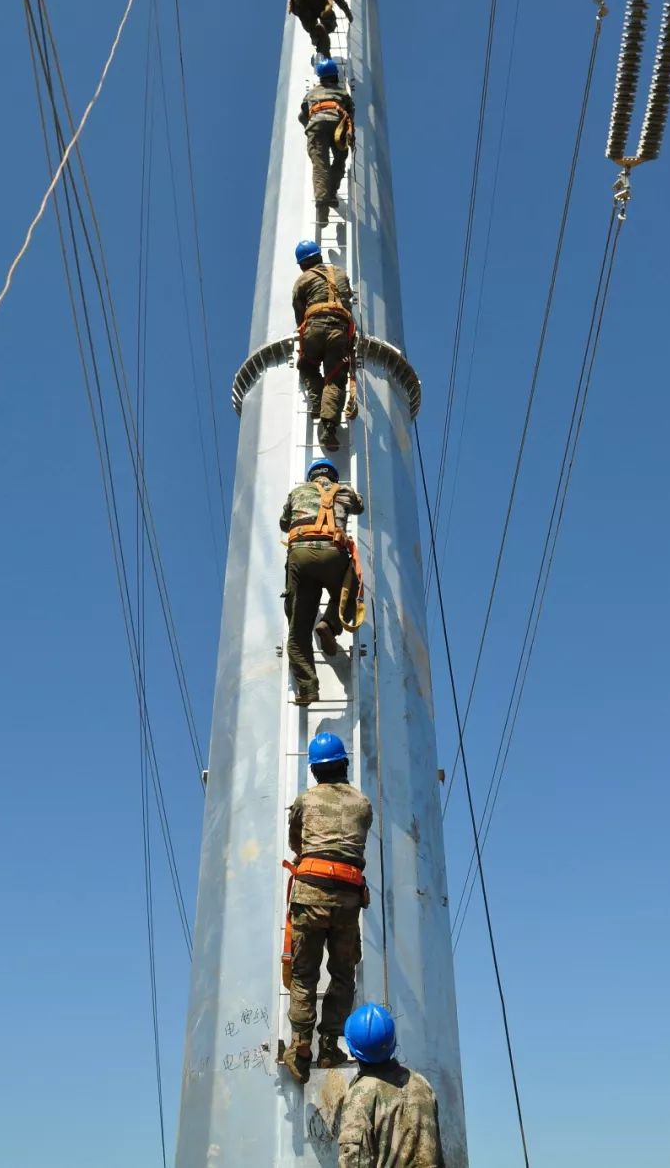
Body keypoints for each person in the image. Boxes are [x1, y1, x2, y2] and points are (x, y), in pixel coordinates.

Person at [282, 732, 373, 1084]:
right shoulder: (362, 803)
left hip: (309, 896)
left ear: (315, 771)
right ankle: (330, 1044)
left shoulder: (305, 801)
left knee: (305, 974)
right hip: (347, 903)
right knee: (342, 974)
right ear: (344, 764)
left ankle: (301, 1046)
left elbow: (296, 842)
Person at [280, 458, 364, 705]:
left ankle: (307, 688)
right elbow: (359, 506)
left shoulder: (297, 492)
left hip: (300, 557)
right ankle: (329, 624)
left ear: (311, 477)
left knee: (298, 629)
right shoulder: (343, 491)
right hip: (332, 553)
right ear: (333, 477)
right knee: (350, 593)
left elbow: (284, 524)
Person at [337, 1004, 446, 1167]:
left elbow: (353, 1161)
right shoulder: (421, 1085)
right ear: (392, 1042)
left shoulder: (360, 1095)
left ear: (353, 1051)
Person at [293, 238, 355, 453]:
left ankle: (317, 401)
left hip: (315, 327)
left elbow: (299, 313)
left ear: (302, 264)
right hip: (339, 330)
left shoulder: (303, 280)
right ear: (319, 256)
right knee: (335, 379)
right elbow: (347, 300)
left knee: (307, 366)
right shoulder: (339, 272)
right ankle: (328, 427)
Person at [299, 58, 354, 226]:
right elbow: (351, 112)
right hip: (338, 125)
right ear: (335, 76)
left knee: (320, 164)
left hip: (316, 126)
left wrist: (309, 127)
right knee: (339, 160)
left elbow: (302, 115)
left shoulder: (311, 94)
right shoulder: (342, 93)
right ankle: (331, 193)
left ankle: (322, 205)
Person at [288, 0, 353, 61]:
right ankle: (324, 25)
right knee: (329, 19)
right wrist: (348, 13)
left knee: (309, 25)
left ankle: (315, 35)